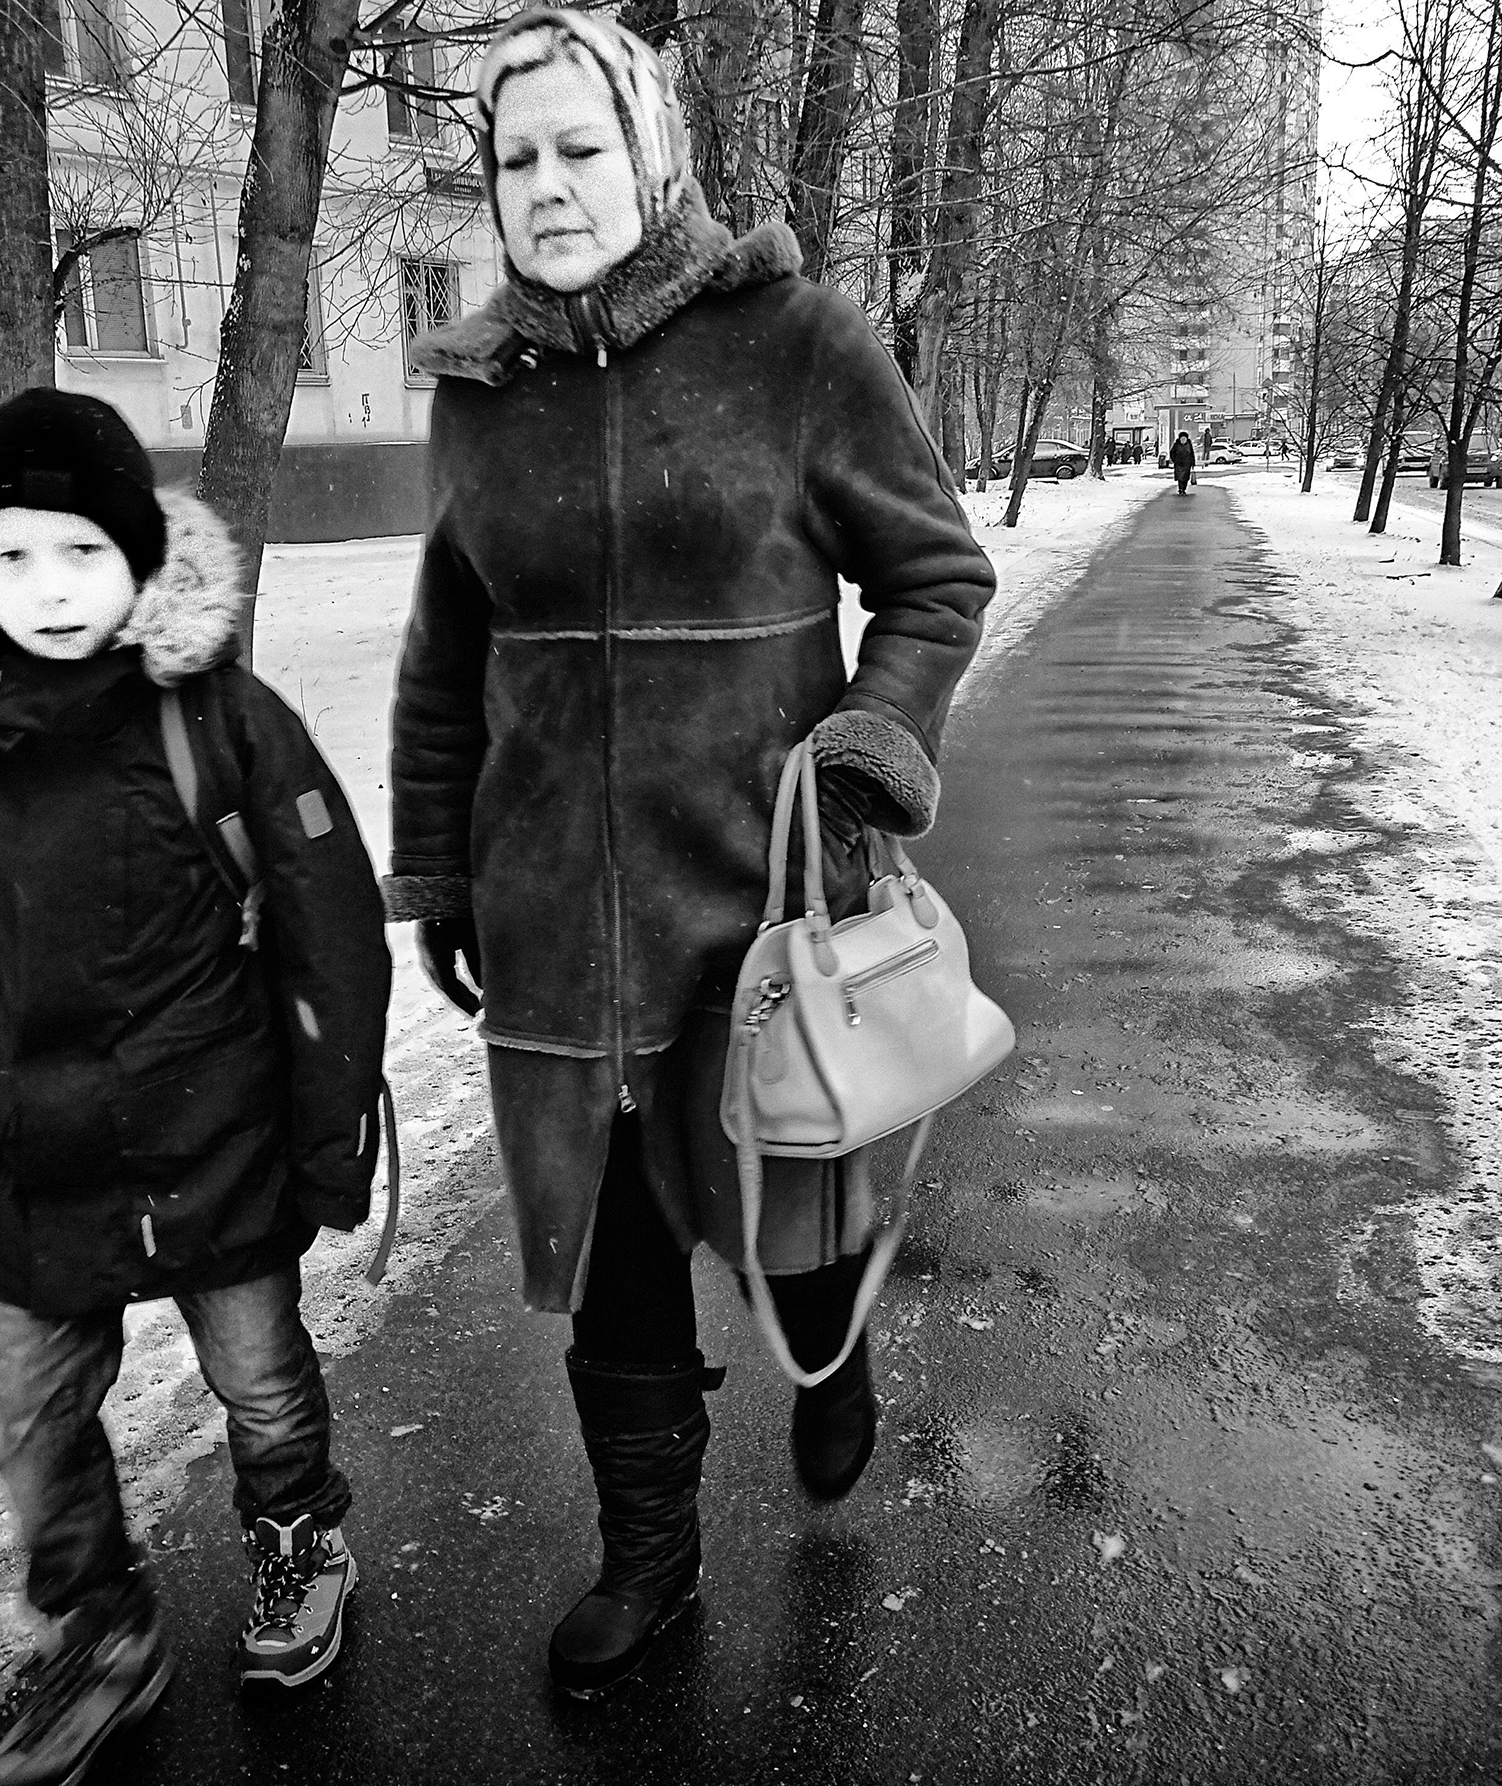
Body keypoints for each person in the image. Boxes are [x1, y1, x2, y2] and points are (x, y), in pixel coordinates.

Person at [387, 7, 995, 1702]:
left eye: (580, 148)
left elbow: (937, 576)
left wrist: (870, 747)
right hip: (557, 918)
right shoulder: (479, 394)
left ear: (648, 156)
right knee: (618, 1259)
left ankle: (829, 1345)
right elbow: (445, 658)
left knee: (789, 1195)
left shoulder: (794, 340)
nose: (547, 184)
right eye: (516, 156)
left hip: (759, 897)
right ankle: (648, 1557)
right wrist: (437, 870)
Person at [0, 389, 391, 1784]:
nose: (48, 589)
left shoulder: (220, 716)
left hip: (213, 1133)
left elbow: (332, 925)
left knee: (257, 1377)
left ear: (139, 555)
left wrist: (330, 1127)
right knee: (24, 1393)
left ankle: (300, 1546)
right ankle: (100, 1626)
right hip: (34, 1146)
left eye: (81, 552)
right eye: (13, 556)